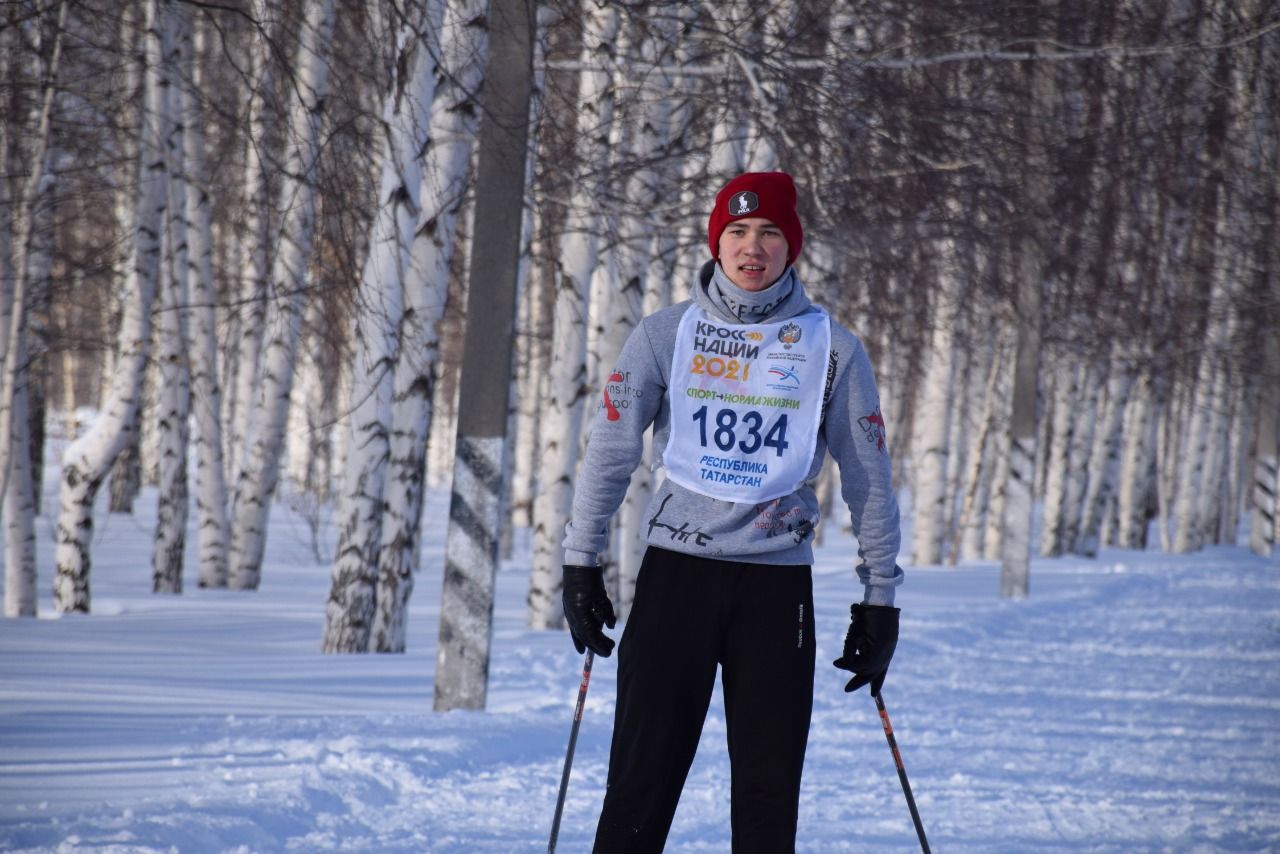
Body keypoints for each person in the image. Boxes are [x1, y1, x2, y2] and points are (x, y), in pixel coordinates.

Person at [561, 171, 903, 853]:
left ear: (791, 246)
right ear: (717, 242)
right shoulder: (666, 334)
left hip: (776, 591)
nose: (753, 247)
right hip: (676, 579)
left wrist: (880, 600)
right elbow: (610, 450)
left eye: (771, 232)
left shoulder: (831, 348)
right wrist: (579, 563)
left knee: (768, 793)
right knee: (640, 784)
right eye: (738, 231)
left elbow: (869, 476)